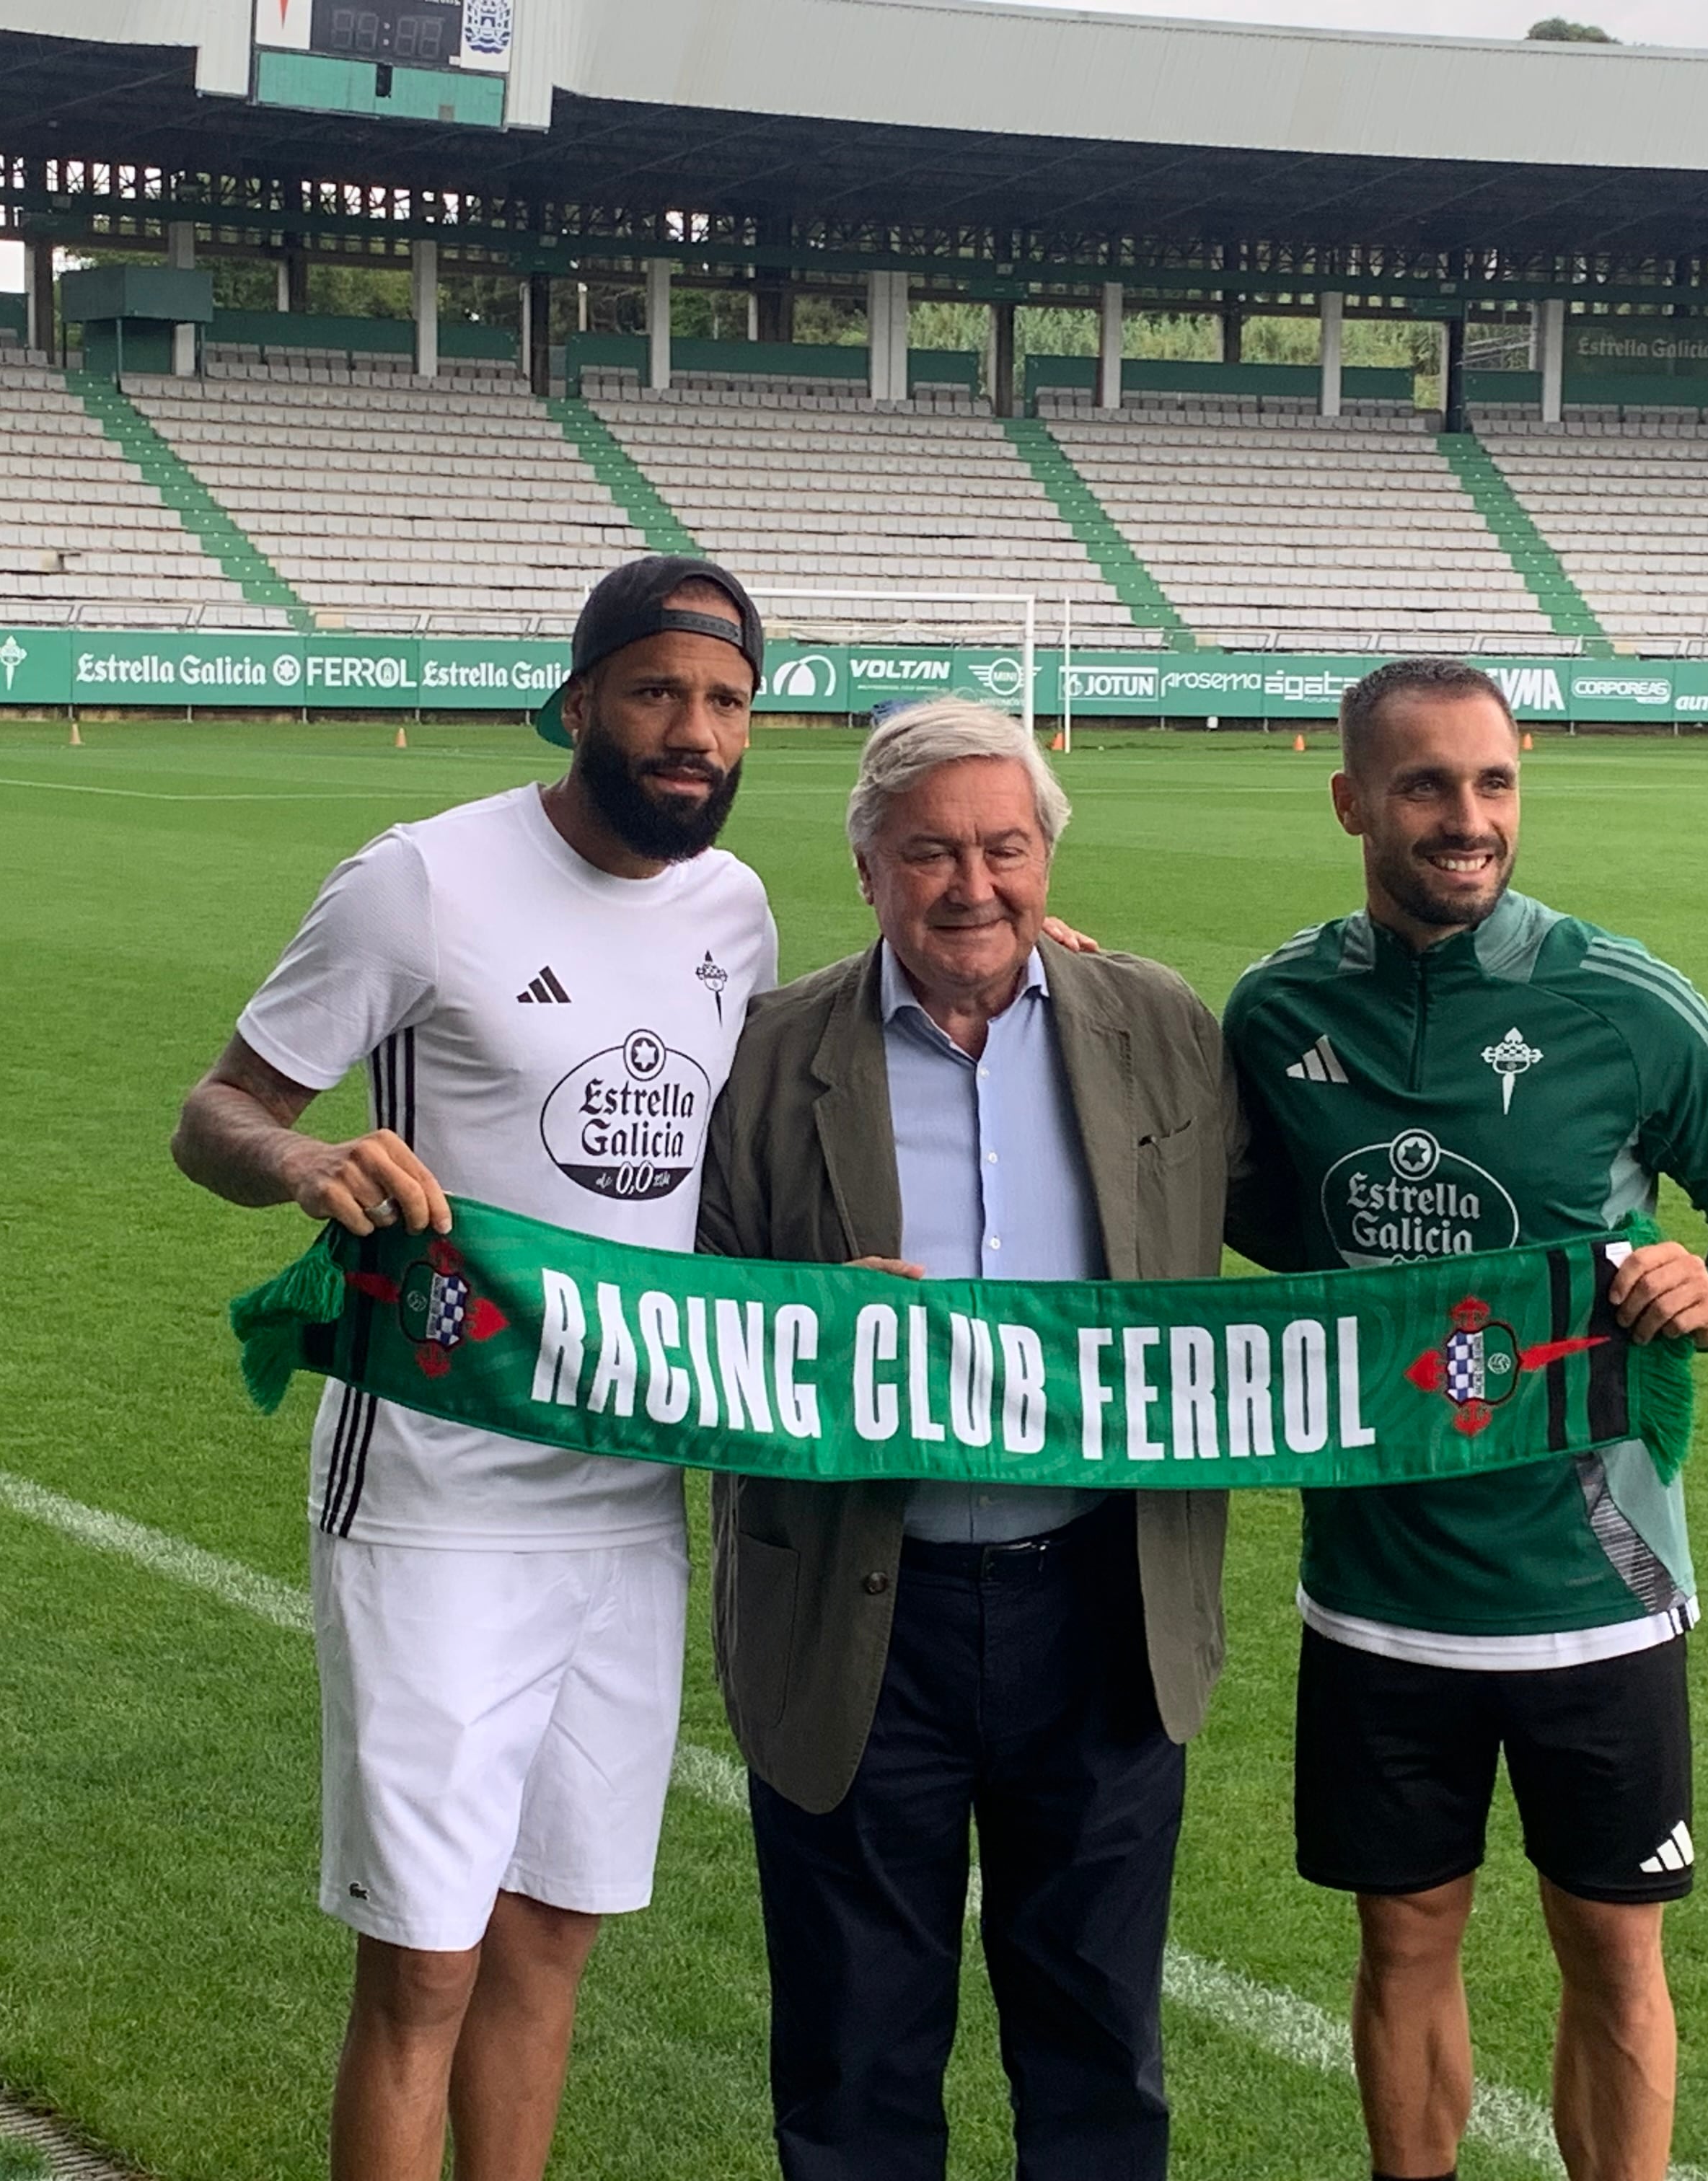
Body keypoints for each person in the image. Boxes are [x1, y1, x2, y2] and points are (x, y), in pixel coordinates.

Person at [170, 555, 778, 2181]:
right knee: (425, 1964)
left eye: (726, 703)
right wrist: (303, 1170)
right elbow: (217, 1112)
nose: (693, 731)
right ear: (580, 699)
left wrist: (1034, 948)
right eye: (658, 691)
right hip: (436, 1489)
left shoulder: (738, 911)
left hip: (632, 1498)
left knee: (553, 1939)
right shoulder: (420, 882)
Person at [1224, 660, 1708, 2181]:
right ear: (1352, 800)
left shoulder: (1622, 1002)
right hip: (1378, 1592)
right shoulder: (1281, 1007)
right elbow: (1248, 1219)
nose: (1466, 819)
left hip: (1591, 1589)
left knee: (1613, 1955)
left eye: (1492, 784)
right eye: (1424, 785)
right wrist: (1056, 985)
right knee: (1404, 1940)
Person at [696, 696, 1234, 2181]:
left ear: (1048, 862)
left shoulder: (1166, 1027)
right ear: (867, 869)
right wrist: (798, 1312)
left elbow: (1299, 1242)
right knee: (857, 2052)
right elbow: (682, 1313)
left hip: (1106, 1606)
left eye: (1006, 849)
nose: (972, 886)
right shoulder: (764, 1054)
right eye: (930, 852)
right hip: (864, 1612)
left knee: (1100, 2049)